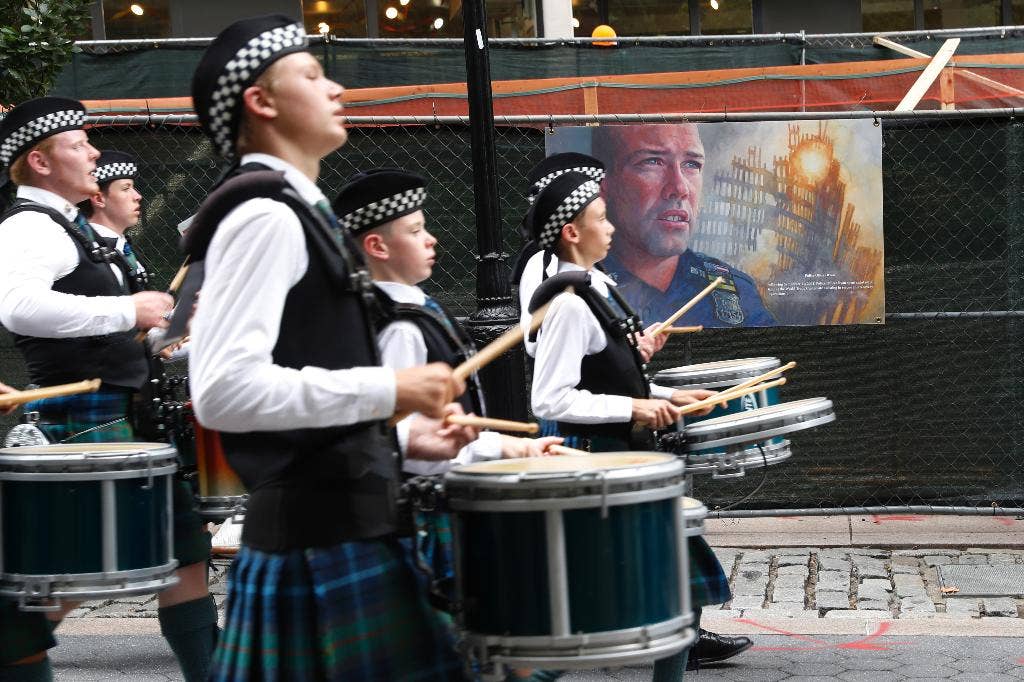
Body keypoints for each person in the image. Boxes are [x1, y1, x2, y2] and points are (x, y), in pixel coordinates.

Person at [186, 15, 469, 680]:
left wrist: (400, 437)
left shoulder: (299, 214)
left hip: (346, 526)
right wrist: (391, 390)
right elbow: (224, 390)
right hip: (314, 544)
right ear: (262, 102)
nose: (336, 87)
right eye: (313, 75)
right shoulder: (266, 216)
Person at [0, 101, 217, 681]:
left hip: (126, 416)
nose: (94, 152)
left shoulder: (74, 231)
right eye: (79, 144)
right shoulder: (30, 226)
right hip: (86, 421)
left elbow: (106, 338)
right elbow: (16, 305)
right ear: (40, 161)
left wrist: (157, 335)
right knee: (72, 574)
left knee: (185, 563)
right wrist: (127, 308)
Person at [522, 170, 745, 680]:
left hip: (624, 457)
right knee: (610, 601)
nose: (613, 228)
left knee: (676, 590)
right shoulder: (569, 303)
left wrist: (666, 394)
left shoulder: (598, 287)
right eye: (601, 219)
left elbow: (615, 375)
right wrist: (637, 410)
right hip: (599, 459)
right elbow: (551, 396)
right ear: (571, 233)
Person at [592, 123, 776, 328]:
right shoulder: (576, 291)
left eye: (692, 164)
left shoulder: (736, 292)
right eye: (653, 161)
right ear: (604, 183)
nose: (680, 188)